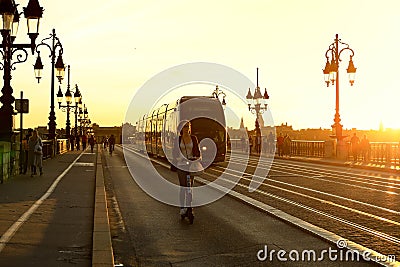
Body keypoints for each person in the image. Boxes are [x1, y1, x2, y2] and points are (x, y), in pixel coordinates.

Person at [172, 121, 201, 224]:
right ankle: (182, 207)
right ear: (181, 128)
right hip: (181, 165)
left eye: (187, 126)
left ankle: (190, 207)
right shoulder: (178, 139)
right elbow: (174, 153)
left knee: (190, 188)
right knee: (183, 187)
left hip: (191, 165)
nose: (186, 128)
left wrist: (197, 157)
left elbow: (197, 151)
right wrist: (179, 158)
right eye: (184, 127)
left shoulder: (193, 138)